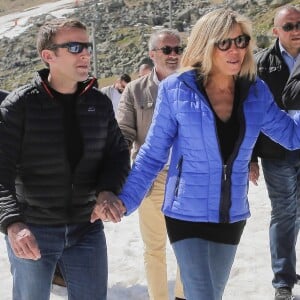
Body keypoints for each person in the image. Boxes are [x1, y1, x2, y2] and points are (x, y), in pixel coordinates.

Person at [92, 8, 300, 300]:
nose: (235, 50)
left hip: (231, 216)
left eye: (241, 42)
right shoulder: (177, 89)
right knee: (202, 294)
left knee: (211, 293)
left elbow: (291, 135)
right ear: (206, 44)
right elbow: (152, 154)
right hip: (185, 214)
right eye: (224, 43)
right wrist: (124, 202)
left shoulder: (256, 91)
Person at [0, 18, 130, 300]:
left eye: (87, 46)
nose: (85, 53)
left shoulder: (100, 102)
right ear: (49, 56)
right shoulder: (19, 106)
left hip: (87, 230)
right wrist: (12, 223)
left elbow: (117, 154)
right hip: (33, 231)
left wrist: (107, 190)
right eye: (74, 47)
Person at [116, 28, 185, 300]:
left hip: (188, 179)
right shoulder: (134, 91)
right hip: (152, 179)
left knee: (188, 246)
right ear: (152, 54)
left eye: (177, 49)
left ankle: (183, 296)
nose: (173, 55)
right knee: (154, 248)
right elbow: (123, 133)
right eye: (166, 50)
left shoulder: (194, 84)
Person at [250, 6, 300, 300]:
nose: (296, 30)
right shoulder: (260, 64)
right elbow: (251, 115)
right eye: (290, 26)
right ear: (276, 31)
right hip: (276, 153)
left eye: (299, 25)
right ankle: (283, 281)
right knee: (284, 213)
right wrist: (251, 158)